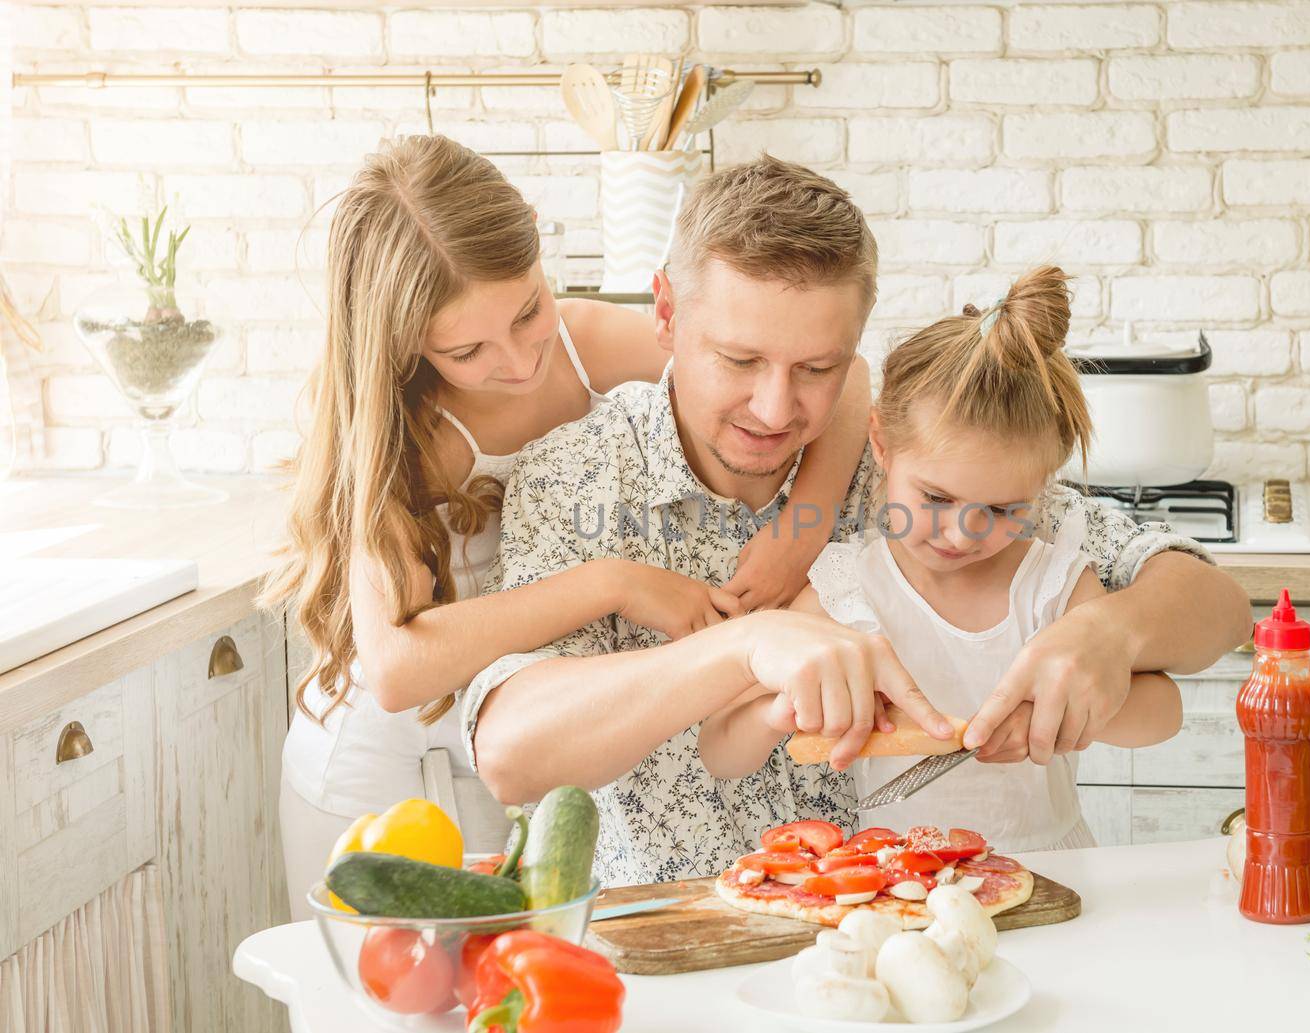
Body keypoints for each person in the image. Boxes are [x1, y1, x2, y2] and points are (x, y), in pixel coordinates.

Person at [461, 155, 1253, 885]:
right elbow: (509, 755)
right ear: (665, 313)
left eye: (817, 368)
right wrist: (744, 647)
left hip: (913, 935)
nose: (776, 410)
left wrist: (1110, 634)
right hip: (676, 940)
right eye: (739, 361)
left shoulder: (921, 469)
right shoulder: (579, 475)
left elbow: (1214, 608)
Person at [260, 137, 871, 919]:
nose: (518, 360)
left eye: (527, 310)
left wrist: (800, 531)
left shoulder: (581, 344)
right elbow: (398, 670)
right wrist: (608, 583)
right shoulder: (384, 429)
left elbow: (842, 374)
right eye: (467, 348)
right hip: (380, 761)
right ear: (403, 337)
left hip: (502, 743)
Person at [699, 266, 1184, 852]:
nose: (962, 533)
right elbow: (720, 752)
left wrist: (1069, 711)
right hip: (893, 881)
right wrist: (784, 709)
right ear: (881, 443)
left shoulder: (1053, 586)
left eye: (1005, 509)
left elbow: (1166, 715)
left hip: (1054, 872)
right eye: (937, 498)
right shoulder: (848, 589)